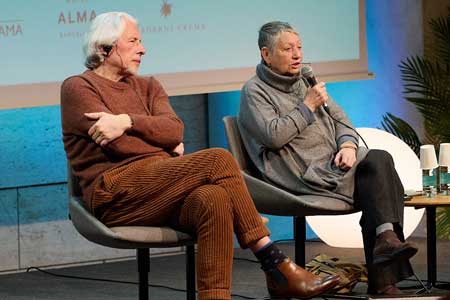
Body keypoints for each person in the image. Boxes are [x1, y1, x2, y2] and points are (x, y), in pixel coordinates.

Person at [60, 12, 340, 300]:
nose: (142, 48)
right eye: (133, 41)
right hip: (115, 193)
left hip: (163, 185)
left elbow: (175, 131)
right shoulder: (79, 88)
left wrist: (127, 122)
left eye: (141, 41)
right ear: (104, 48)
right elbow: (120, 147)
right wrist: (162, 145)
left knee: (214, 200)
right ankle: (274, 262)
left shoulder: (149, 86)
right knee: (217, 159)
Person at [238, 21, 419, 295]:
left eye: (299, 47)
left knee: (378, 163)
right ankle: (384, 276)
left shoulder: (305, 80)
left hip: (332, 163)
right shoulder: (254, 91)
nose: (297, 54)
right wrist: (308, 106)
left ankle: (385, 241)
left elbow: (341, 120)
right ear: (266, 54)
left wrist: (347, 145)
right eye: (288, 49)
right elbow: (273, 136)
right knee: (377, 175)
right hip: (297, 172)